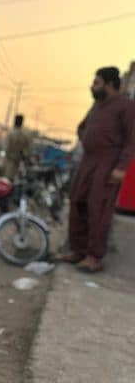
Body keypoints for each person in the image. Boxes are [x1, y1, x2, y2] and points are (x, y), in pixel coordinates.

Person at [57, 67, 135, 272]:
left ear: (109, 84)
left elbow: (131, 140)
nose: (92, 86)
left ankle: (94, 257)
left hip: (108, 163)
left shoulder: (126, 107)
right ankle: (78, 250)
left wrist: (121, 167)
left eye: (97, 83)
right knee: (77, 201)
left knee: (98, 208)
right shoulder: (97, 105)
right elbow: (82, 127)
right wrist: (89, 140)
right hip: (88, 161)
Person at [3, 114, 31, 179]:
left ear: (15, 121)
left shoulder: (10, 133)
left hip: (9, 161)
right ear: (21, 122)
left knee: (6, 180)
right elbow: (27, 150)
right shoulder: (24, 135)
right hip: (18, 162)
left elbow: (6, 147)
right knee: (15, 180)